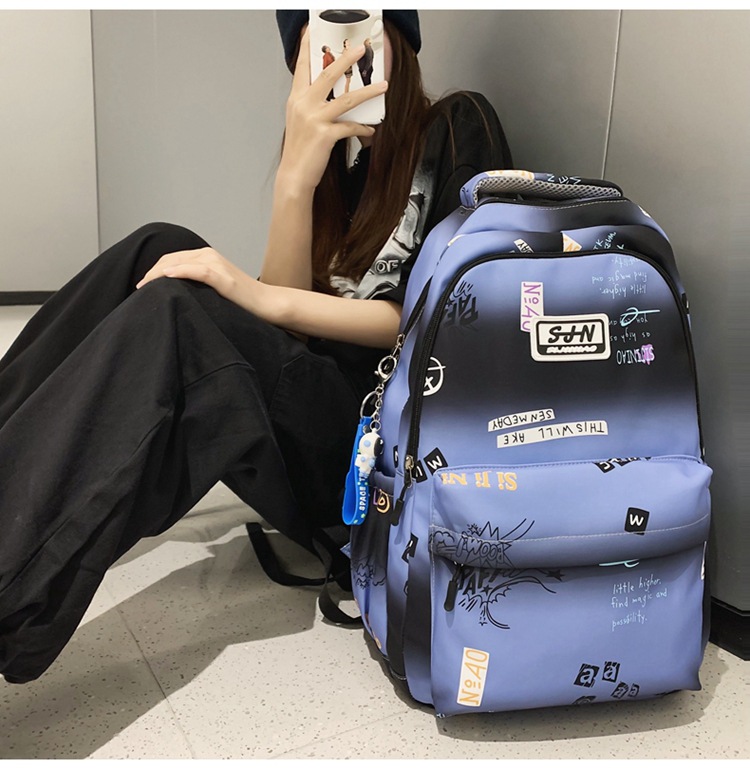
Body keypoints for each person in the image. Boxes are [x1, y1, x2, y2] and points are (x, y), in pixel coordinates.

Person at [0, 9, 512, 684]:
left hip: (378, 454)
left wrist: (250, 291)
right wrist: (298, 177)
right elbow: (290, 331)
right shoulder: (337, 161)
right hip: (318, 414)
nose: (342, 55)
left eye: (358, 27)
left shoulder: (456, 124)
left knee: (180, 313)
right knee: (160, 246)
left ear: (398, 36)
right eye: (317, 41)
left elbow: (450, 317)